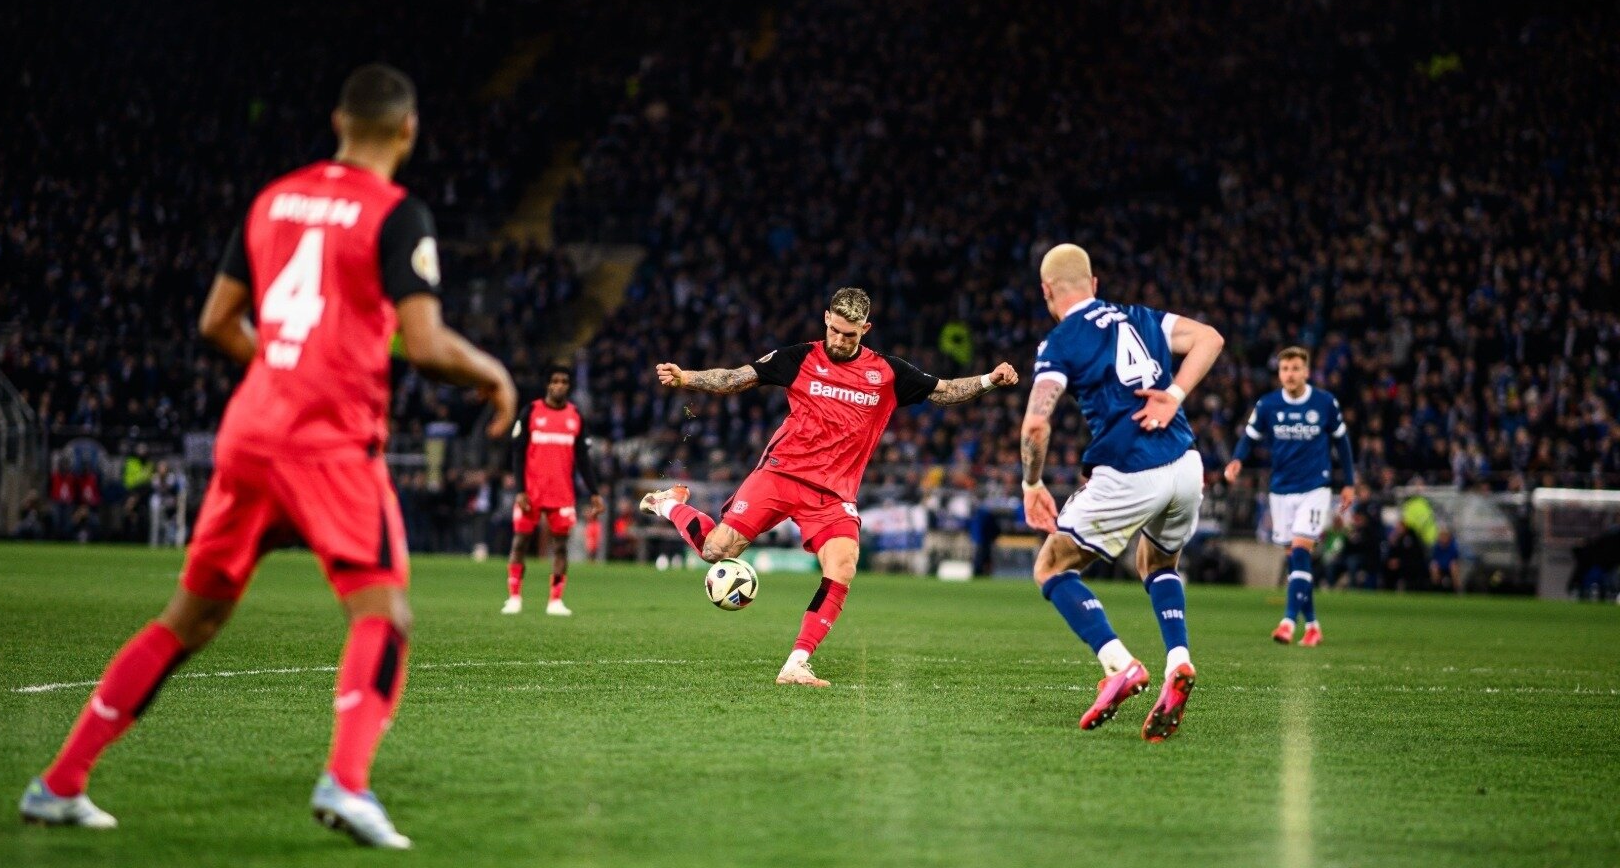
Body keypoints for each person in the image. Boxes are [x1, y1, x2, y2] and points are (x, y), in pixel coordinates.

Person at [18, 64, 517, 848]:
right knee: (383, 613)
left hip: (252, 433)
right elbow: (423, 346)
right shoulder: (398, 213)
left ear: (337, 122)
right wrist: (494, 374)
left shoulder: (271, 200)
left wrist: (283, 370)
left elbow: (217, 321)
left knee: (189, 619)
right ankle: (347, 782)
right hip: (329, 442)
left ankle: (59, 783)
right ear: (408, 130)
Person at [640, 286, 1018, 686]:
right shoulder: (799, 358)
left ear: (865, 329)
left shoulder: (887, 373)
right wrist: (686, 377)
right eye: (834, 330)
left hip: (833, 494)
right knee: (716, 551)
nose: (838, 340)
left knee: (843, 565)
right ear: (826, 319)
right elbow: (735, 378)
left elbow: (944, 391)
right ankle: (669, 503)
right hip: (780, 475)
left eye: (849, 335)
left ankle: (796, 663)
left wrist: (988, 380)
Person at [1018, 244, 1225, 742]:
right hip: (1186, 464)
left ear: (1047, 291)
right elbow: (1211, 338)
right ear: (1094, 283)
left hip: (1130, 471)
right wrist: (1173, 396)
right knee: (1158, 563)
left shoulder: (1060, 342)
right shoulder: (1142, 317)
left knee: (1051, 566)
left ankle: (1120, 664)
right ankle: (1178, 661)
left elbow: (1036, 426)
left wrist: (1032, 483)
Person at [1222, 345, 1358, 647]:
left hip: (1315, 488)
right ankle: (1312, 625)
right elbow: (1249, 437)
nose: (1290, 374)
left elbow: (1342, 442)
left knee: (1299, 551)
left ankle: (1287, 622)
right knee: (1297, 560)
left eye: (1296, 368)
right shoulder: (1268, 404)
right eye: (1285, 369)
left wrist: (1349, 483)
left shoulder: (1324, 403)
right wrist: (1237, 460)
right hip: (1281, 490)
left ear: (1306, 372)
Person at [503, 364, 604, 615]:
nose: (559, 385)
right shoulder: (531, 412)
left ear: (569, 386)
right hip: (531, 493)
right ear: (547, 384)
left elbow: (583, 460)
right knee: (520, 543)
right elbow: (517, 454)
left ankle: (555, 600)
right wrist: (520, 490)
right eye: (555, 381)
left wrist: (594, 493)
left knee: (560, 547)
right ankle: (514, 597)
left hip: (562, 495)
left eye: (564, 381)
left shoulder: (575, 416)